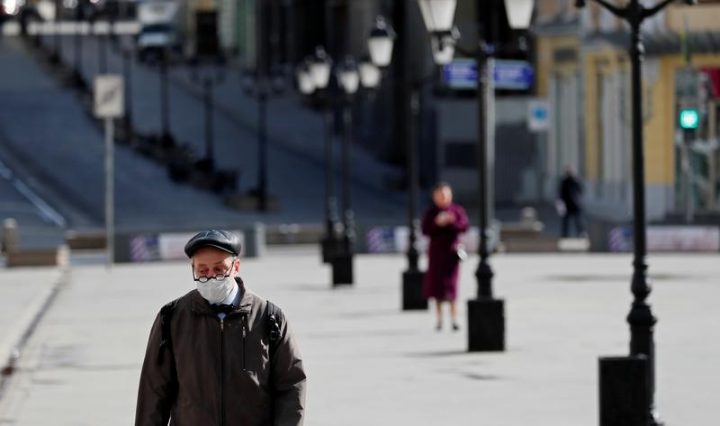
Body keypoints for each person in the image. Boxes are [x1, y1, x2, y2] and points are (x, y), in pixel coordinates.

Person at [135, 229, 306, 426]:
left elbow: (291, 385)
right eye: (202, 270)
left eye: (219, 269)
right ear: (193, 269)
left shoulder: (269, 317)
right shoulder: (172, 317)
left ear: (236, 267)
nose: (211, 277)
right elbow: (153, 390)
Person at [421, 182, 469, 331]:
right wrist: (437, 223)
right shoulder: (431, 213)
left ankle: (454, 318)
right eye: (439, 195)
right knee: (437, 289)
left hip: (451, 253)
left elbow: (464, 226)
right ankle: (439, 319)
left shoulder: (456, 210)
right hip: (436, 254)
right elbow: (425, 230)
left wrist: (451, 221)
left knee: (452, 288)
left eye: (445, 195)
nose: (442, 198)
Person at [557, 165, 586, 238]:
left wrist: (579, 200)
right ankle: (564, 236)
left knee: (579, 221)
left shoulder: (576, 181)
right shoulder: (564, 182)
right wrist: (560, 204)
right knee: (566, 222)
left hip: (575, 205)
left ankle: (581, 234)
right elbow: (561, 193)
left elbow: (580, 191)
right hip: (567, 205)